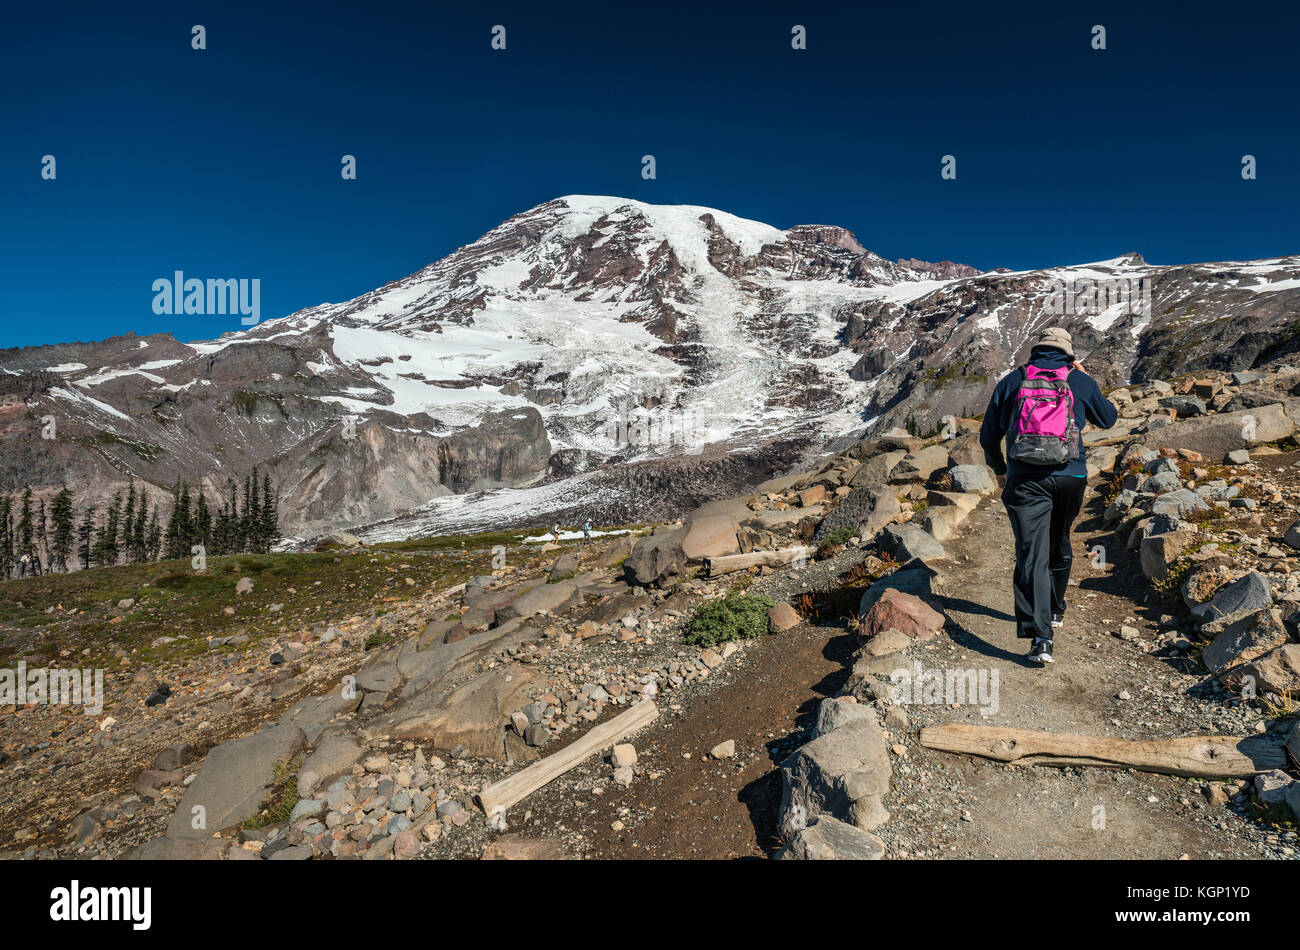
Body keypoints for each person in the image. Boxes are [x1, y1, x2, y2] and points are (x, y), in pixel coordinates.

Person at [978, 327, 1118, 665]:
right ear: (1068, 354)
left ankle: (1042, 638)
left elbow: (987, 436)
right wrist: (1084, 379)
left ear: (1036, 351)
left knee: (1031, 554)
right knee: (1060, 539)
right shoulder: (1078, 380)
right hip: (1071, 476)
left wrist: (1000, 470)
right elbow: (1109, 418)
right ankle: (1055, 606)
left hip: (1025, 479)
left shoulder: (1013, 381)